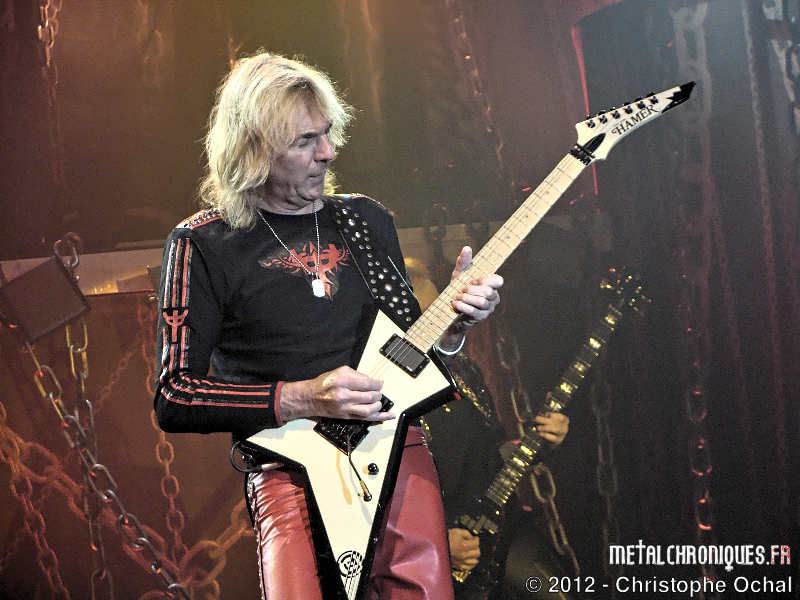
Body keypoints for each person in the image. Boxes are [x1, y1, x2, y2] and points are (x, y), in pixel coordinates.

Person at [152, 51, 503, 600]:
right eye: (304, 141)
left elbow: (410, 356)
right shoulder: (202, 244)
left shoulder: (364, 220)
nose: (328, 152)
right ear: (253, 150)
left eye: (328, 133)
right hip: (288, 469)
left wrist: (453, 327)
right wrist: (303, 397)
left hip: (396, 452)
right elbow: (175, 396)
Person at [405, 260, 569, 599]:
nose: (443, 328)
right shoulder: (384, 392)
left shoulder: (464, 371)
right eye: (429, 317)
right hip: (437, 549)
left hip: (500, 526)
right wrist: (433, 541)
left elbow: (494, 454)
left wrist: (541, 442)